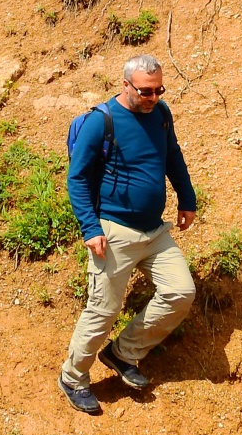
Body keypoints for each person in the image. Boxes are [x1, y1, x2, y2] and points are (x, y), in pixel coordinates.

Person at [59, 54, 198, 415]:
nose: (152, 98)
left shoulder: (162, 115)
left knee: (181, 292)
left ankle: (123, 353)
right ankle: (73, 377)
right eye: (145, 91)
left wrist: (187, 198)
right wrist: (90, 228)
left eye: (158, 90)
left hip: (155, 231)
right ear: (125, 85)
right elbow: (76, 178)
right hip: (113, 231)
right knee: (103, 310)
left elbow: (173, 156)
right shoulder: (100, 121)